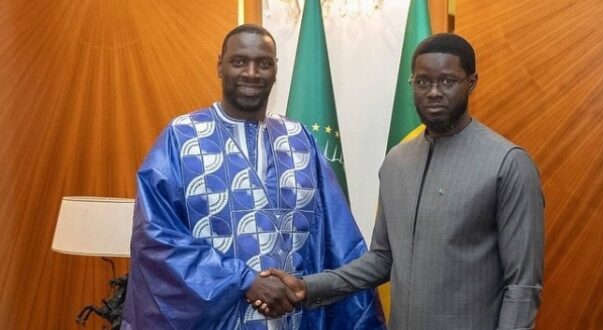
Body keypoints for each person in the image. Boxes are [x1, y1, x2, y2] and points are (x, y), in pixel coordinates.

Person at [259, 33, 545, 329]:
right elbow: (381, 260)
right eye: (423, 82)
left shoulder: (507, 163)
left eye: (447, 81)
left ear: (471, 83)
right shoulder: (397, 162)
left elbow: (522, 285)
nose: (433, 92)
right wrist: (306, 287)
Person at [121, 24, 385, 330]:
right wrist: (243, 281)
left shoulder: (300, 141)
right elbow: (156, 239)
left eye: (263, 63)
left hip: (294, 319)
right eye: (239, 61)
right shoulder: (181, 139)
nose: (251, 73)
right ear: (220, 65)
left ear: (275, 71)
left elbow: (337, 240)